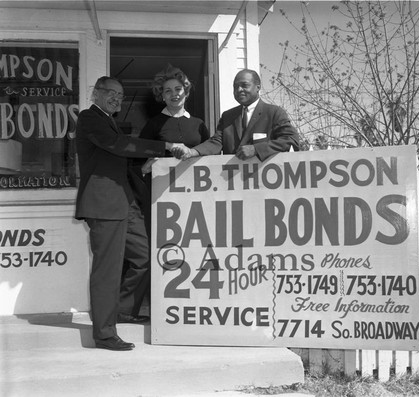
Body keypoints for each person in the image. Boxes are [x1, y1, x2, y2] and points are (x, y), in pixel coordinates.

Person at [75, 76, 179, 351]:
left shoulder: (108, 121)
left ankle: (119, 309)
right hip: (104, 205)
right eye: (110, 93)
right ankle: (105, 334)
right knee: (106, 272)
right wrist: (163, 146)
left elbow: (118, 156)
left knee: (144, 255)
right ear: (95, 93)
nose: (116, 99)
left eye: (120, 96)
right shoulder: (89, 118)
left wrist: (144, 168)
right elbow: (117, 146)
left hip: (124, 203)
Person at [135, 65, 210, 233]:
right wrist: (149, 163)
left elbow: (209, 153)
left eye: (178, 89)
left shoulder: (199, 124)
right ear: (162, 96)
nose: (174, 94)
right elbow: (140, 155)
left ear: (186, 91)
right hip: (163, 194)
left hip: (194, 191)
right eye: (168, 91)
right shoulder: (153, 124)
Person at [171, 69, 299, 161]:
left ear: (258, 87)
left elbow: (290, 140)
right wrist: (192, 152)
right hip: (234, 186)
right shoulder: (228, 116)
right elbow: (216, 142)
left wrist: (256, 149)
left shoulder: (274, 113)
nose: (239, 90)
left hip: (265, 184)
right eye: (235, 87)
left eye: (244, 85)